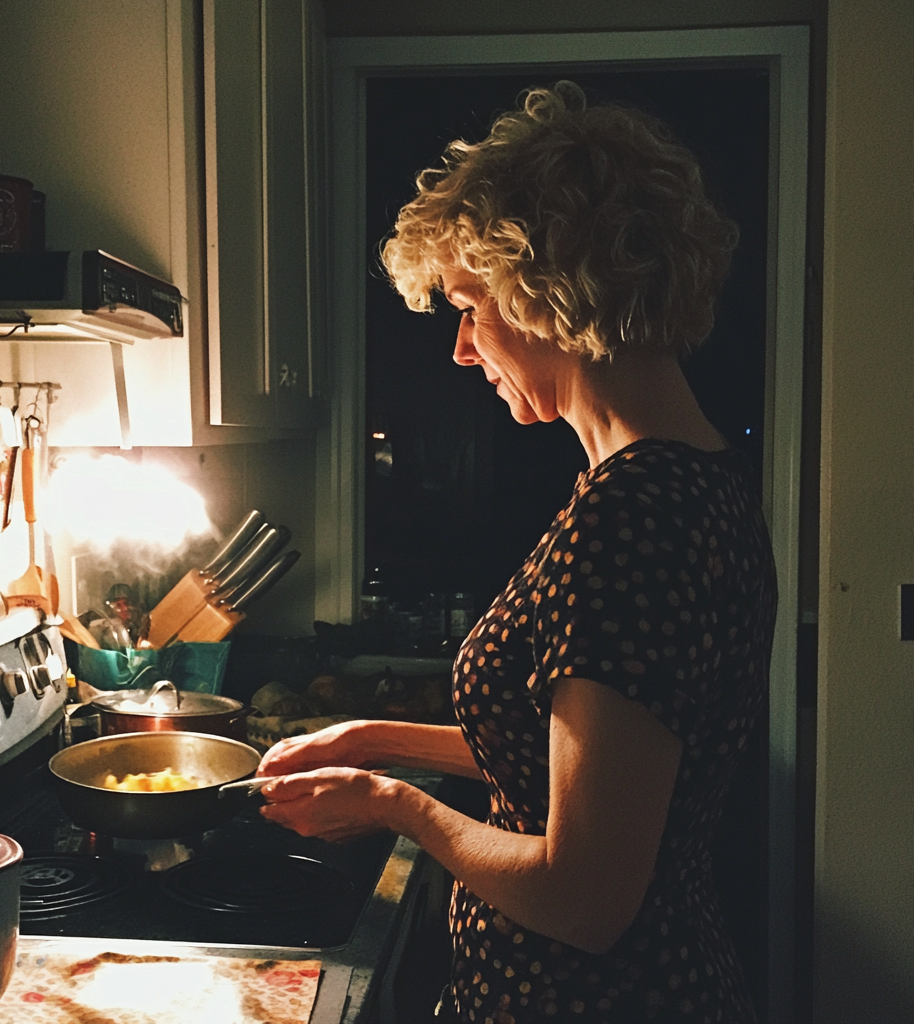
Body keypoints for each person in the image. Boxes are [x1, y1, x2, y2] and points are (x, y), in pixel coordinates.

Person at [255, 81, 777, 1024]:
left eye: (467, 306)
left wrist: (390, 800)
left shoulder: (635, 519)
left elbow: (583, 897)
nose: (460, 349)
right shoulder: (684, 479)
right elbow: (573, 771)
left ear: (546, 289)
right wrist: (371, 739)